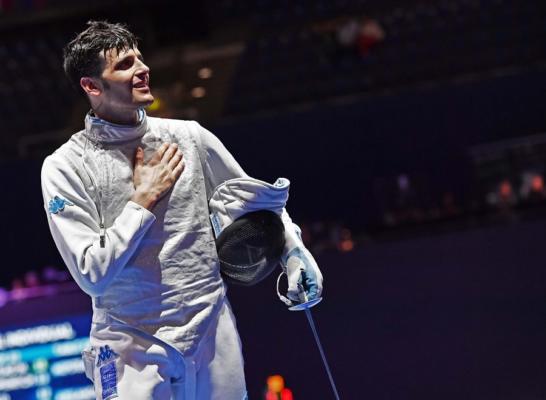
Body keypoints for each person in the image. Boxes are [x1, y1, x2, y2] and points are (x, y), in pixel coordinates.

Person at [40, 21, 323, 400]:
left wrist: (294, 251)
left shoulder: (189, 137)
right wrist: (143, 199)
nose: (142, 69)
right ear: (92, 86)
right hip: (131, 340)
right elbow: (92, 273)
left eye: (139, 58)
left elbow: (253, 202)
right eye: (124, 65)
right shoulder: (66, 167)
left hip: (210, 324)